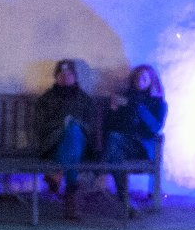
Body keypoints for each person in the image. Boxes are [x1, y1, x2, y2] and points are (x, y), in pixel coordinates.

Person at [33, 58, 99, 220]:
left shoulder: (85, 100)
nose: (65, 77)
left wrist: (75, 125)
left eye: (69, 74)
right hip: (53, 145)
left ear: (75, 77)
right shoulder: (46, 100)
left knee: (74, 131)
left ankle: (58, 173)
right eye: (61, 74)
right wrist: (61, 125)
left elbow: (92, 128)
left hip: (81, 146)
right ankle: (71, 199)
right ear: (56, 77)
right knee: (70, 135)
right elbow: (39, 127)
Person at [103, 63, 167, 217]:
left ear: (151, 80)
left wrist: (138, 106)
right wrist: (112, 110)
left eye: (144, 77)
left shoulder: (158, 103)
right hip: (122, 145)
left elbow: (155, 128)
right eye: (138, 77)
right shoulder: (124, 98)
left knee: (113, 145)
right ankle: (127, 202)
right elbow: (110, 126)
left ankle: (98, 174)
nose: (140, 80)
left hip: (143, 148)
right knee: (114, 149)